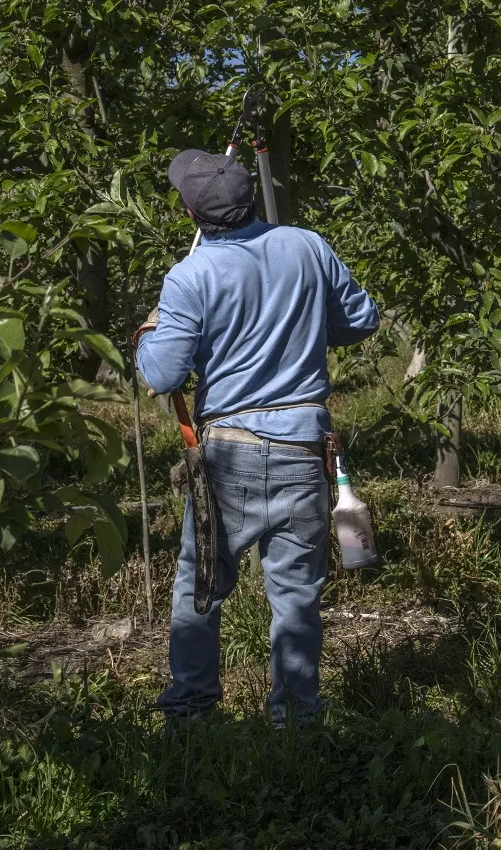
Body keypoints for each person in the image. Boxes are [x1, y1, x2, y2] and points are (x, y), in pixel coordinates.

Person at [136, 148, 379, 724]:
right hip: (304, 443)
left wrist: (150, 332)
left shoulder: (190, 276)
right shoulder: (307, 246)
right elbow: (360, 320)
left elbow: (162, 374)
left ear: (192, 216)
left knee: (201, 586)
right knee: (296, 592)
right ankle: (296, 719)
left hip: (230, 449)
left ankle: (192, 709)